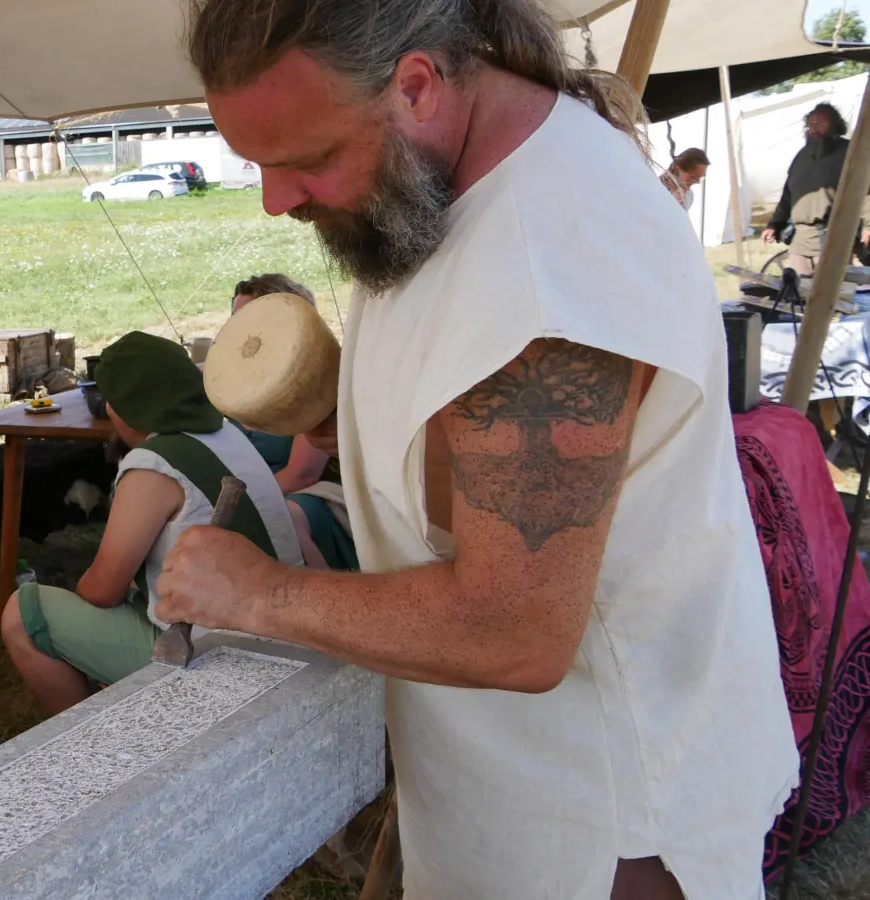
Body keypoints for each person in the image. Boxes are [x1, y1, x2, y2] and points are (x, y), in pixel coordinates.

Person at [162, 1, 798, 898]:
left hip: (596, 831)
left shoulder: (549, 267)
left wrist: (258, 592)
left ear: (417, 85)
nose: (277, 200)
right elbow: (467, 464)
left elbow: (514, 629)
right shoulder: (440, 181)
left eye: (303, 160)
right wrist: (342, 423)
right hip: (500, 799)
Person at [0, 331, 304, 715]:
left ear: (119, 407)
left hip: (214, 654)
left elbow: (101, 590)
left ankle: (91, 742)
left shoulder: (152, 465)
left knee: (23, 613)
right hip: (287, 635)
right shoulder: (227, 434)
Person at [226, 273, 359, 571]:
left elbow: (302, 473)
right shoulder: (234, 380)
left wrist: (243, 505)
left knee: (285, 516)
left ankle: (324, 606)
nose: (238, 329)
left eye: (250, 318)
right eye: (235, 318)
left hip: (314, 494)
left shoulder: (311, 374)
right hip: (250, 488)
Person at [763, 103, 870, 275]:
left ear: (835, 126)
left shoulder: (850, 152)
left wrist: (868, 226)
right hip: (801, 239)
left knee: (833, 296)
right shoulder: (802, 155)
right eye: (811, 124)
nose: (814, 129)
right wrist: (774, 224)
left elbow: (867, 190)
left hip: (834, 236)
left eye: (821, 123)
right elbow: (788, 194)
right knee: (801, 294)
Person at [659, 147, 709, 211]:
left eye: (699, 179)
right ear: (678, 167)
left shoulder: (689, 195)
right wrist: (671, 203)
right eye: (692, 177)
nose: (696, 182)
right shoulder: (658, 187)